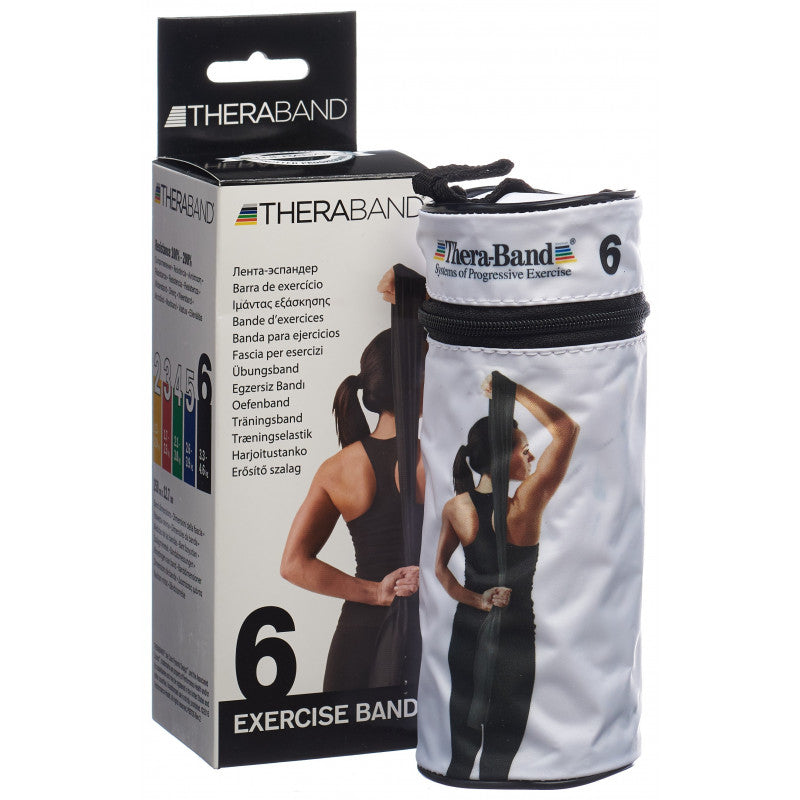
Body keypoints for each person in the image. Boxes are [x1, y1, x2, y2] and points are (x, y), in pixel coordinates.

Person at [435, 375, 579, 781]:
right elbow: (566, 429)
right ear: (503, 454)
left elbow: (440, 571)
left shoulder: (457, 507)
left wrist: (477, 601)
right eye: (524, 447)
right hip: (515, 638)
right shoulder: (525, 505)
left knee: (460, 754)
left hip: (467, 632)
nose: (531, 455)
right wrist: (513, 391)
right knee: (500, 757)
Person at [281, 329, 423, 691]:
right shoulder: (440, 460)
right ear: (414, 382)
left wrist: (376, 593)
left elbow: (293, 563)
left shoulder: (337, 468)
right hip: (422, 631)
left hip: (357, 638)